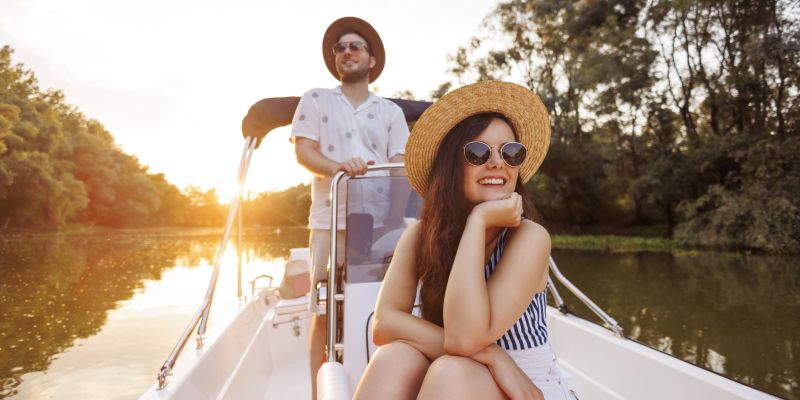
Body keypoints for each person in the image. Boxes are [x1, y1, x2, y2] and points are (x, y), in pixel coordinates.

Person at [353, 81, 572, 399]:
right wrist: (494, 356)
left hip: (524, 384)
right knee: (393, 358)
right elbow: (384, 324)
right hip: (470, 374)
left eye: (510, 152)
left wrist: (478, 220)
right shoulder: (420, 235)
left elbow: (465, 341)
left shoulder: (529, 237)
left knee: (450, 371)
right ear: (451, 165)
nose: (497, 162)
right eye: (478, 152)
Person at [289, 16, 410, 400]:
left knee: (378, 309)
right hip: (329, 221)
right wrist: (337, 167)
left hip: (377, 226)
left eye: (355, 46)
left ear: (371, 59)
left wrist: (393, 226)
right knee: (323, 311)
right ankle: (316, 394)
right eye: (340, 48)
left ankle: (376, 387)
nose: (346, 52)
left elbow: (402, 167)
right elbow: (304, 151)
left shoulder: (390, 112)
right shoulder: (316, 99)